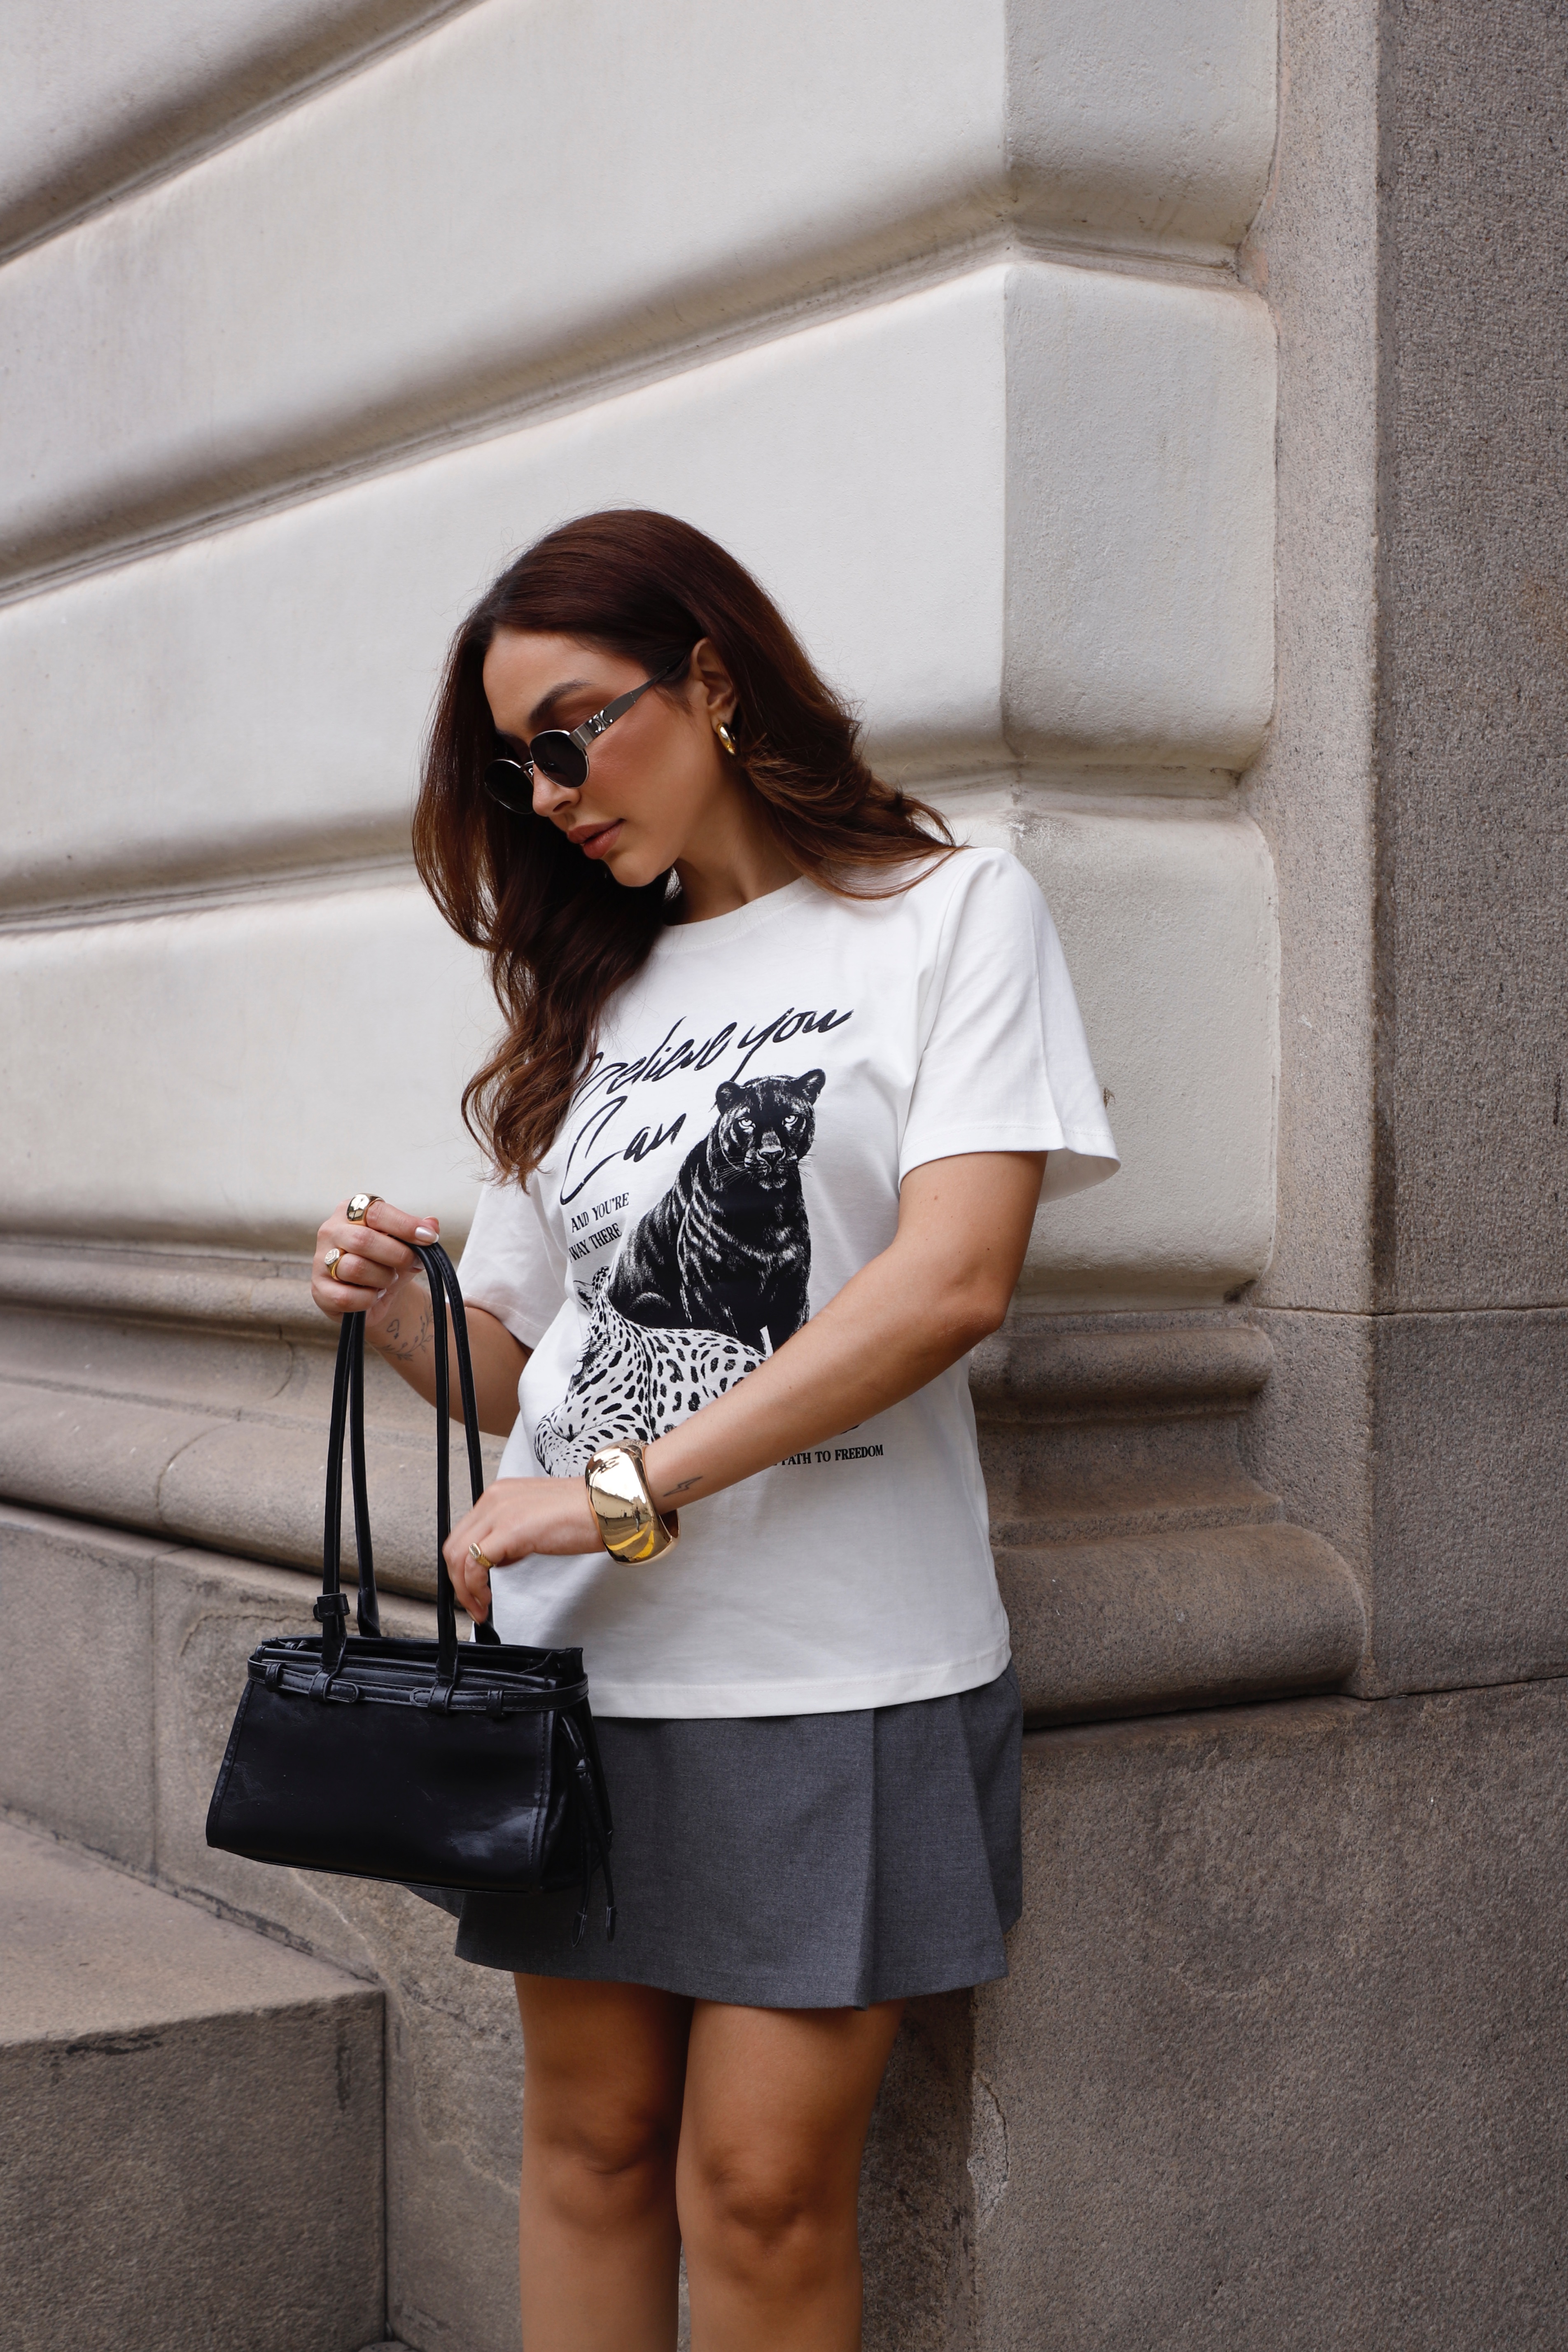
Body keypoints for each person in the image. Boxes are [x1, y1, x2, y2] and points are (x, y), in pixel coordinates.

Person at [311, 510, 1117, 2352]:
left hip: (837, 1668)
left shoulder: (951, 914)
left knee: (761, 2190)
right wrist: (399, 1308)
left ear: (713, 677)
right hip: (580, 1678)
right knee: (593, 2152)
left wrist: (614, 1495)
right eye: (515, 768)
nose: (549, 795)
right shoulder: (590, 988)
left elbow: (951, 1284)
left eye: (570, 735)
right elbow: (521, 1364)